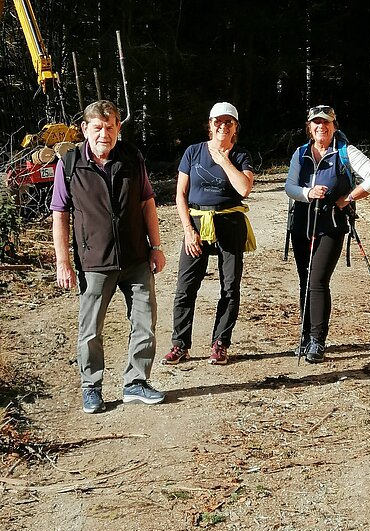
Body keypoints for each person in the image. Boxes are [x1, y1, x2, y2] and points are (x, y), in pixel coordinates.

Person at [50, 99, 166, 413]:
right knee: (91, 331)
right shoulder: (70, 164)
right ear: (85, 129)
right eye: (98, 127)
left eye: (111, 126)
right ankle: (91, 388)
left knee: (145, 321)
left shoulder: (131, 157)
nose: (105, 134)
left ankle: (136, 383)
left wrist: (155, 247)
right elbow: (60, 214)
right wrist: (63, 262)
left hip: (135, 259)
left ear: (118, 129)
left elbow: (147, 203)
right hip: (94, 263)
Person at [285, 104, 370, 363]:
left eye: (326, 122)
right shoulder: (301, 153)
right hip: (302, 224)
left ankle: (317, 340)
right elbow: (290, 187)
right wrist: (308, 193)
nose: (321, 126)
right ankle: (306, 338)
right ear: (309, 127)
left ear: (333, 126)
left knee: (317, 281)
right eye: (316, 122)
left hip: (331, 225)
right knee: (304, 280)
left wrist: (348, 198)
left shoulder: (345, 151)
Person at [162, 101, 255, 366]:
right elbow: (180, 194)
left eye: (229, 122)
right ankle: (180, 344)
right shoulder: (193, 152)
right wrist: (188, 230)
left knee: (230, 287)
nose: (222, 126)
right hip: (197, 223)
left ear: (235, 127)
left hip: (229, 222)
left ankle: (220, 343)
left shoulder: (241, 155)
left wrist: (224, 160)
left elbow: (244, 189)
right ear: (210, 124)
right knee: (185, 287)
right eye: (218, 121)